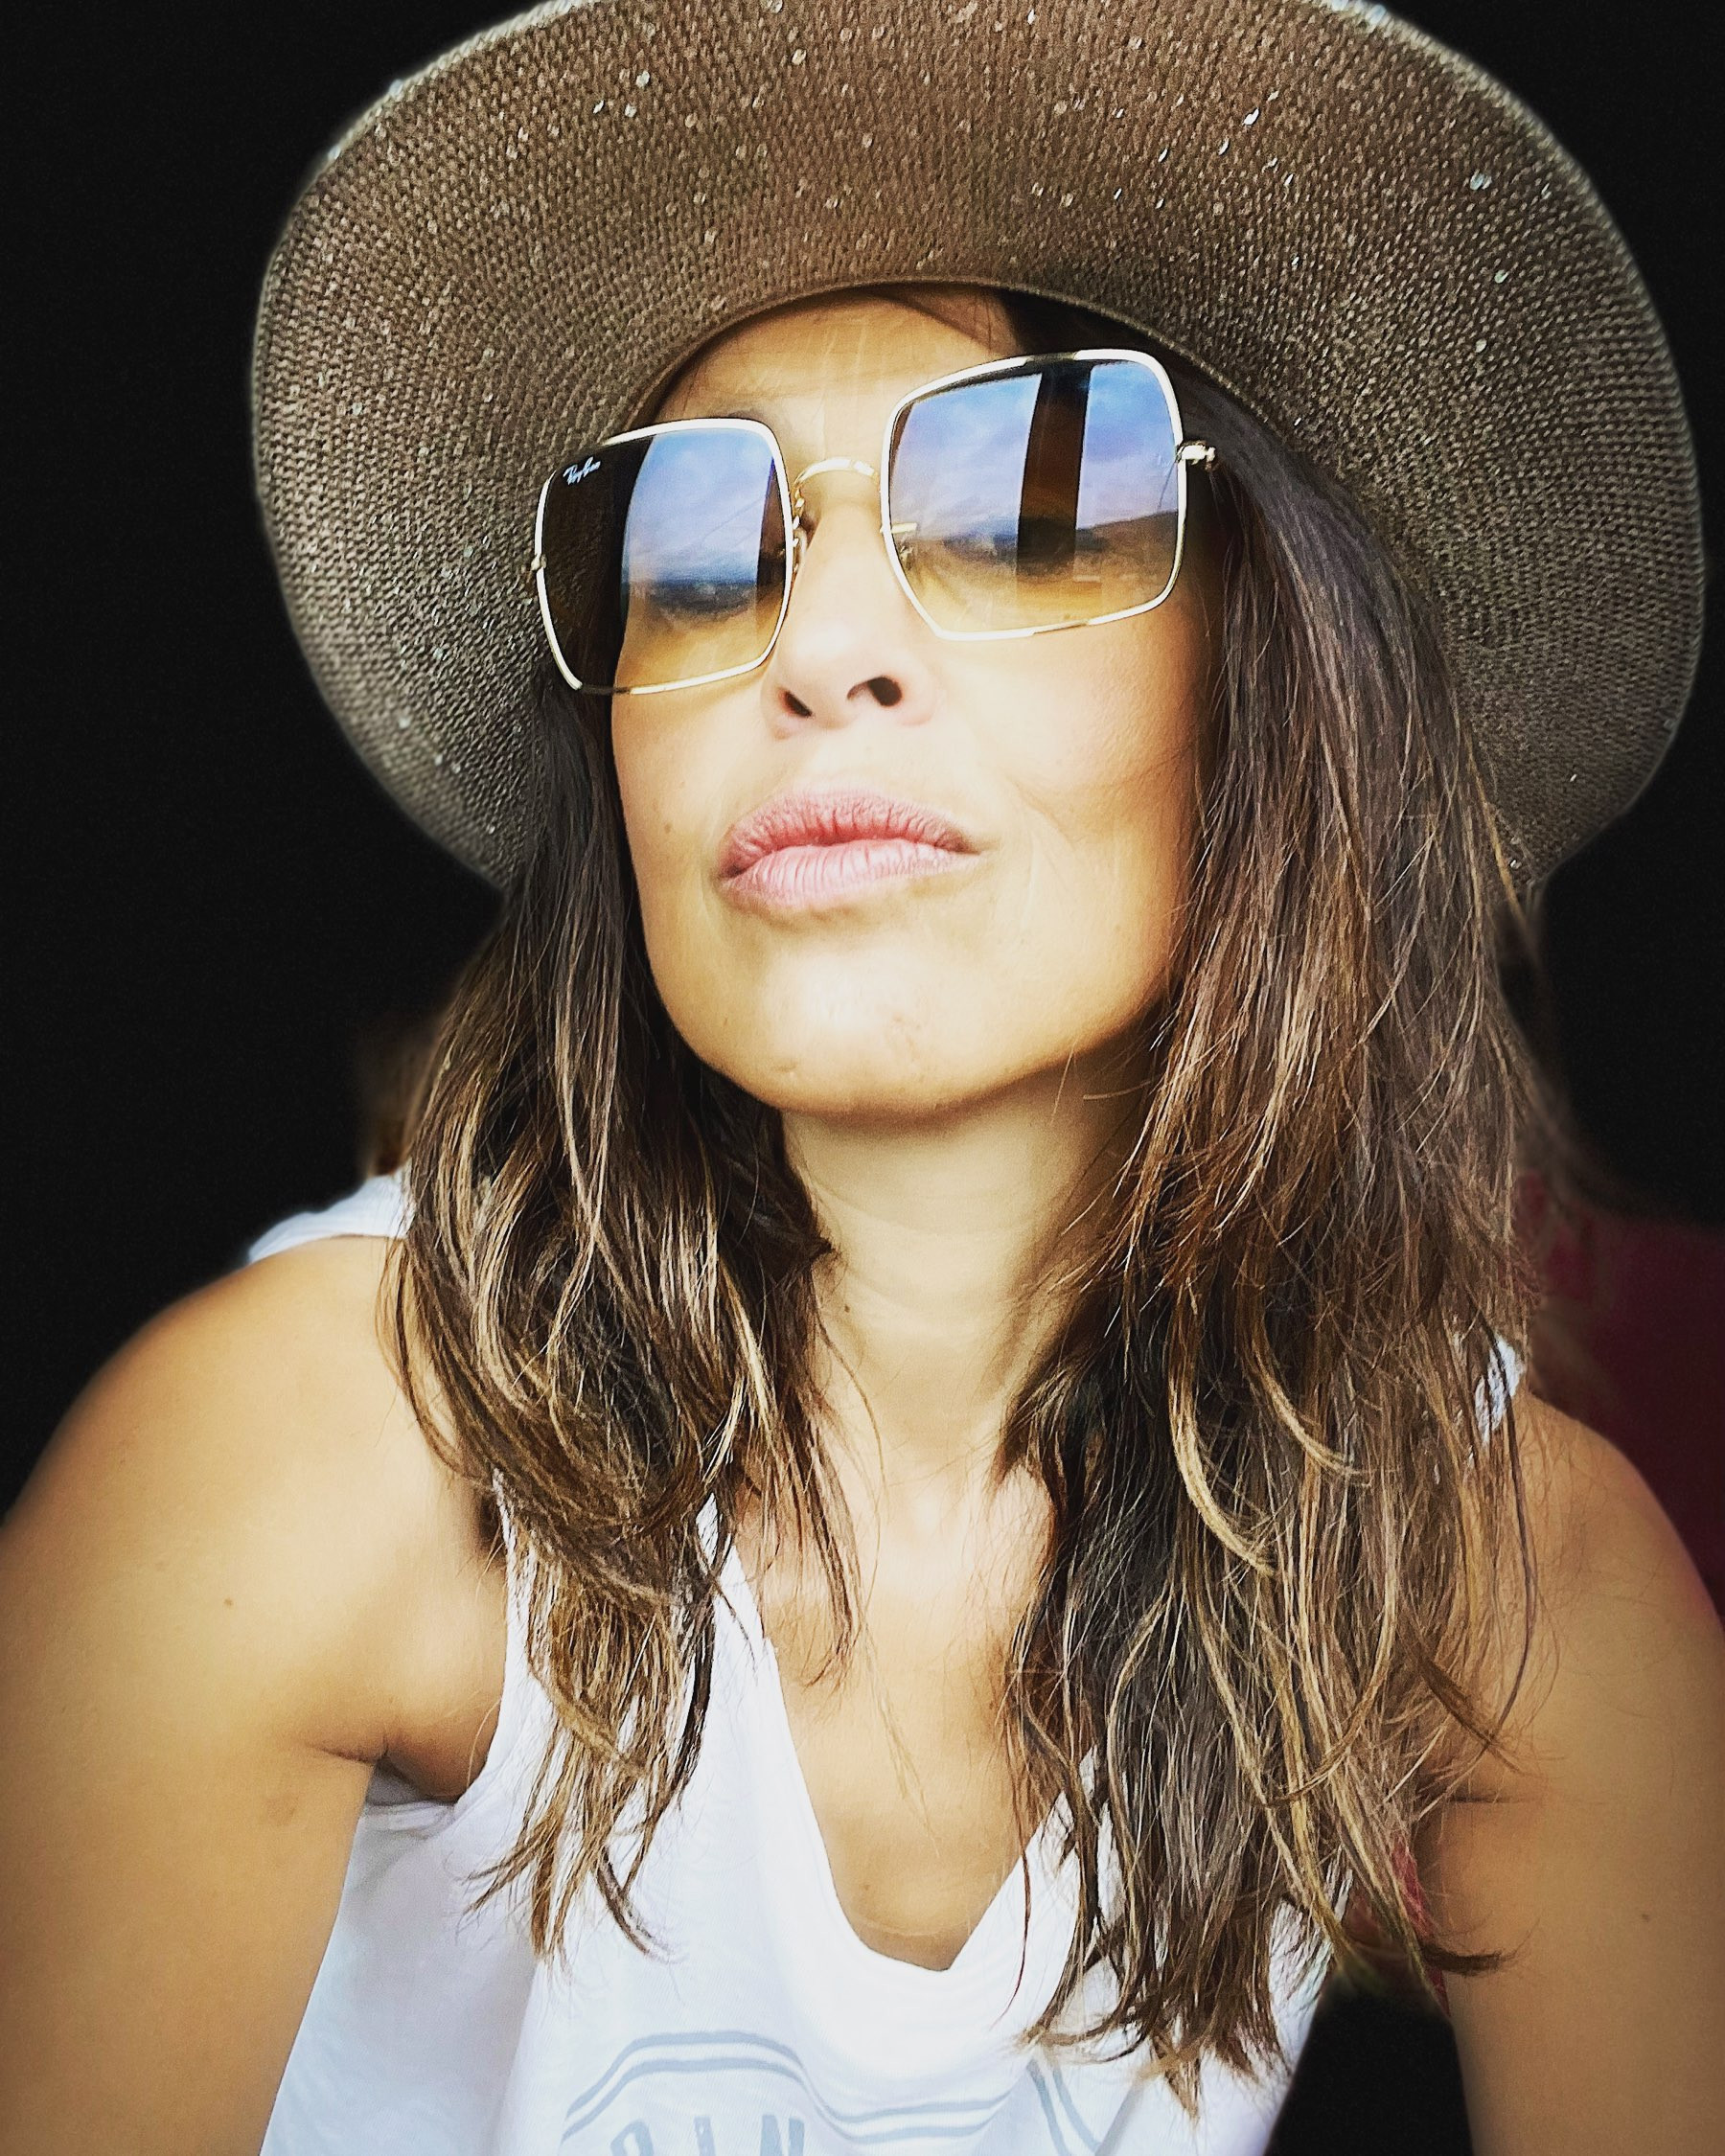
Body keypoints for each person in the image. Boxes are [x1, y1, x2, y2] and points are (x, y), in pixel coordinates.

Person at [4, 4, 1721, 2151]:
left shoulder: (1526, 1591)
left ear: (1279, 679)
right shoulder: (297, 1464)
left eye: (1031, 501)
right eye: (695, 549)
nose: (817, 648)